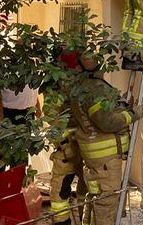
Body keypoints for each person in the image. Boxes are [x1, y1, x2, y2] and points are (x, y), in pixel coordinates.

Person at [70, 54, 143, 224]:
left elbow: (97, 116)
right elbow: (107, 122)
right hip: (105, 159)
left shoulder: (79, 88)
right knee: (106, 203)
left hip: (94, 157)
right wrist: (133, 114)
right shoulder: (95, 90)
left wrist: (120, 105)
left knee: (95, 197)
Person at [48, 48, 88, 225]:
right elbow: (53, 121)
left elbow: (51, 120)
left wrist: (64, 144)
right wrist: (65, 144)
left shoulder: (62, 87)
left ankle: (72, 220)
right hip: (77, 147)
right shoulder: (82, 85)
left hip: (74, 147)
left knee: (62, 192)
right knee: (77, 190)